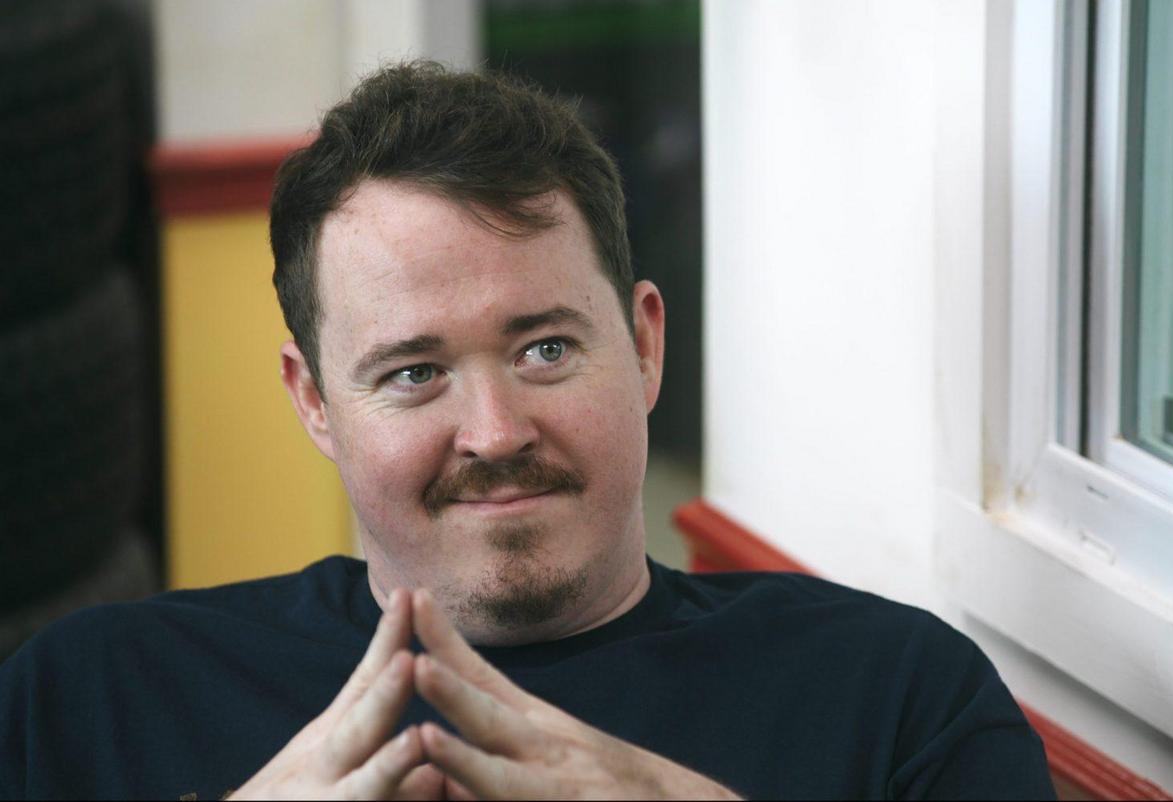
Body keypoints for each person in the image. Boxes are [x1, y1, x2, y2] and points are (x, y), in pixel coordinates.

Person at [0, 62, 1054, 800]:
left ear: (644, 344)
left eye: (545, 348)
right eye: (414, 373)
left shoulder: (895, 699)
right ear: (314, 402)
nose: (496, 432)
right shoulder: (92, 700)